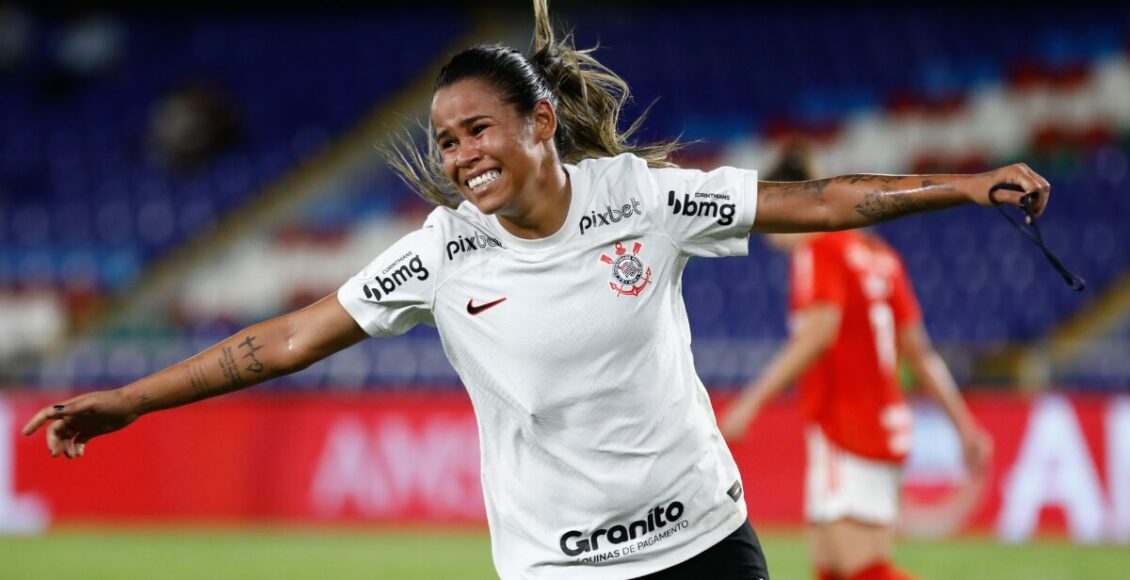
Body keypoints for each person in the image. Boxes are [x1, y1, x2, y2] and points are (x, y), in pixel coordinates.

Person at [24, 2, 1044, 578]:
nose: (460, 155)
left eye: (477, 129)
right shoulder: (441, 252)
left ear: (540, 122)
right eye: (445, 140)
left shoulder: (642, 198)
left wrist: (961, 183)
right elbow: (288, 339)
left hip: (703, 549)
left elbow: (817, 201)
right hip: (559, 570)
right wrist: (132, 398)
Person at [719, 143, 993, 580]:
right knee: (832, 566)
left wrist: (751, 401)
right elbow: (918, 351)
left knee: (862, 569)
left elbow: (818, 333)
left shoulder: (820, 248)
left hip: (846, 426)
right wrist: (963, 424)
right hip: (883, 426)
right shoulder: (879, 256)